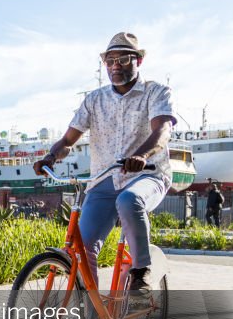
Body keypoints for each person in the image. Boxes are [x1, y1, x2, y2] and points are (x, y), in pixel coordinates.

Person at [34, 32, 176, 296]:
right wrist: (50, 157)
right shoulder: (94, 100)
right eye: (109, 60)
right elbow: (68, 139)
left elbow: (162, 131)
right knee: (82, 247)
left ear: (138, 61)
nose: (115, 66)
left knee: (129, 201)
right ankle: (91, 317)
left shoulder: (156, 92)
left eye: (123, 59)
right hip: (104, 180)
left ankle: (141, 272)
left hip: (148, 175)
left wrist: (142, 156)